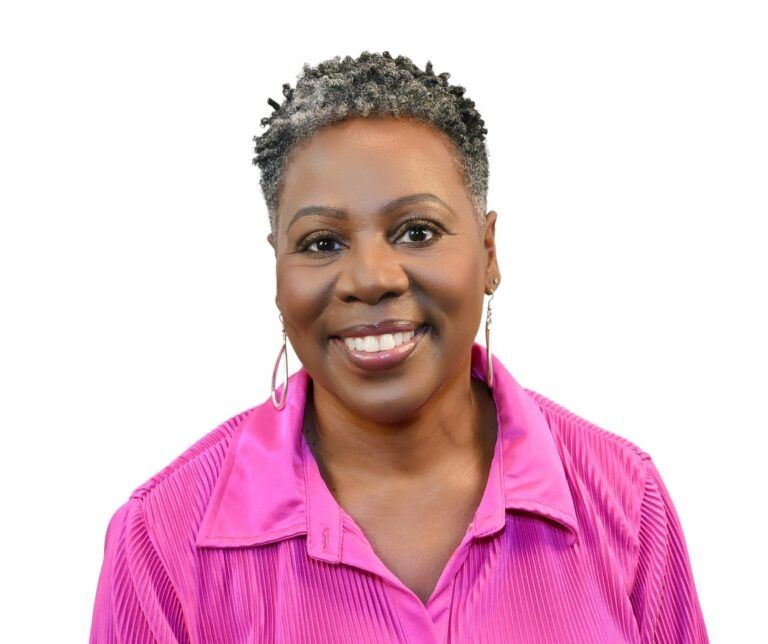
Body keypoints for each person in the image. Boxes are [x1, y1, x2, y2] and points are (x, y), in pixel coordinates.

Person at [89, 51, 709, 643]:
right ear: (277, 266)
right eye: (321, 243)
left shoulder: (626, 501)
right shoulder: (161, 540)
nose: (371, 278)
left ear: (489, 252)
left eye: (417, 231)